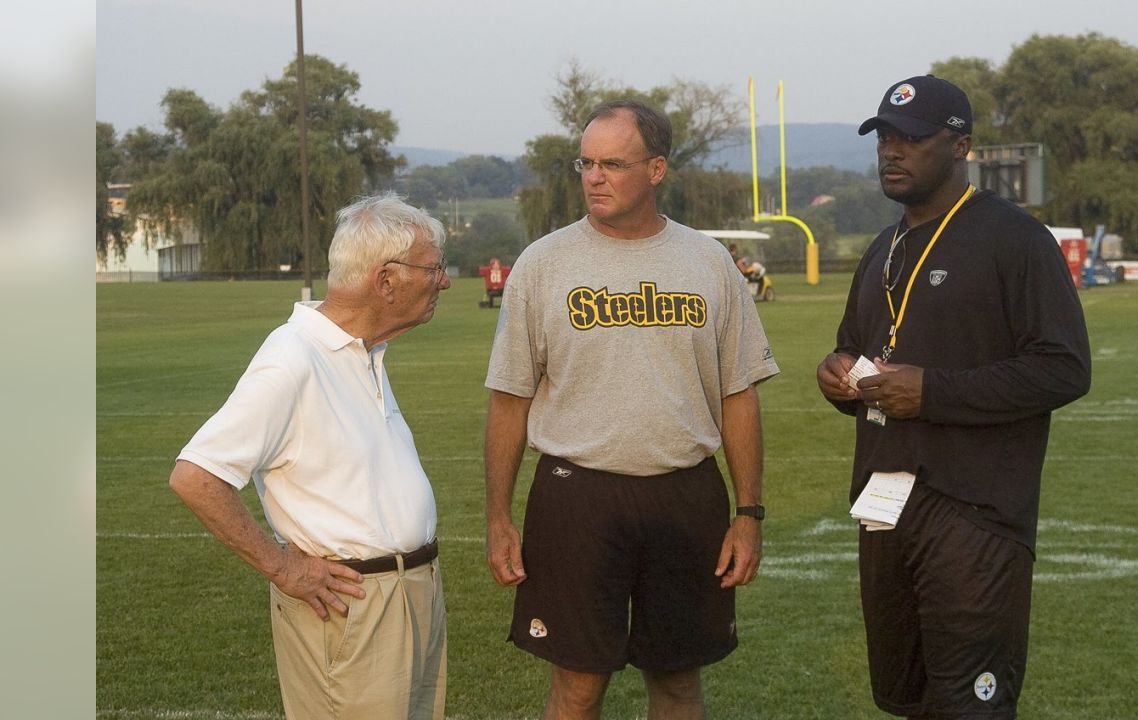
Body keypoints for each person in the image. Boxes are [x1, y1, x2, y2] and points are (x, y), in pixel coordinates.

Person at [484, 99, 779, 720]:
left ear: (656, 169)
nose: (594, 177)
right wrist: (498, 518)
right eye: (585, 163)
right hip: (576, 495)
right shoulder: (544, 263)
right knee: (579, 686)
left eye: (613, 163)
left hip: (685, 495)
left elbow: (739, 395)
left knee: (676, 683)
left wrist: (748, 513)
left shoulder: (707, 262)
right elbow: (509, 400)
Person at [815, 75, 1090, 719]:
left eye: (910, 137)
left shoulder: (1014, 238)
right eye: (883, 136)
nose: (892, 150)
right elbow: (855, 349)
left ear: (960, 144)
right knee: (908, 700)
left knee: (971, 706)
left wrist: (932, 392)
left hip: (974, 511)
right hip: (885, 503)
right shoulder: (881, 247)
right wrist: (838, 377)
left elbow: (1064, 369)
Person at [169, 193, 452, 720]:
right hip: (352, 608)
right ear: (386, 280)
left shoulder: (363, 352)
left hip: (411, 594)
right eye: (433, 268)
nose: (445, 281)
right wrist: (283, 568)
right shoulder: (293, 358)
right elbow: (195, 475)